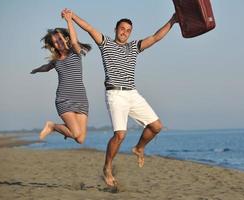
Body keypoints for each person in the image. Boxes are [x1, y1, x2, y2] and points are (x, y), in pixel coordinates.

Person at [64, 8, 178, 186]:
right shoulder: (106, 44)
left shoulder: (134, 47)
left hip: (132, 93)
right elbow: (89, 28)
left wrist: (173, 20)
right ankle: (107, 167)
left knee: (156, 126)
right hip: (115, 94)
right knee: (120, 135)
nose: (125, 32)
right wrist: (71, 18)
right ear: (116, 29)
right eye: (122, 28)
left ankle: (139, 148)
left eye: (128, 30)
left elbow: (155, 37)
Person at [31, 10, 91, 144]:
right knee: (75, 133)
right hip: (64, 99)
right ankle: (52, 126)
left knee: (80, 139)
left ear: (66, 38)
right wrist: (36, 70)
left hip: (81, 99)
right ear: (53, 46)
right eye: (55, 42)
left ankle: (58, 129)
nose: (58, 42)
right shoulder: (56, 60)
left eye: (59, 39)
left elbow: (75, 40)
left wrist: (69, 20)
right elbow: (46, 68)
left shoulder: (75, 51)